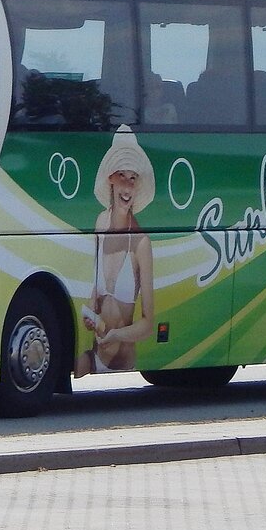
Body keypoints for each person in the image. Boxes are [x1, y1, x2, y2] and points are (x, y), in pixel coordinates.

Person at [75, 125, 156, 376]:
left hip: (123, 361)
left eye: (133, 178)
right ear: (111, 179)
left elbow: (148, 324)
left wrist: (117, 334)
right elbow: (97, 289)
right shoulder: (100, 223)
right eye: (122, 175)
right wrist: (90, 312)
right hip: (95, 353)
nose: (127, 186)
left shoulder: (141, 243)